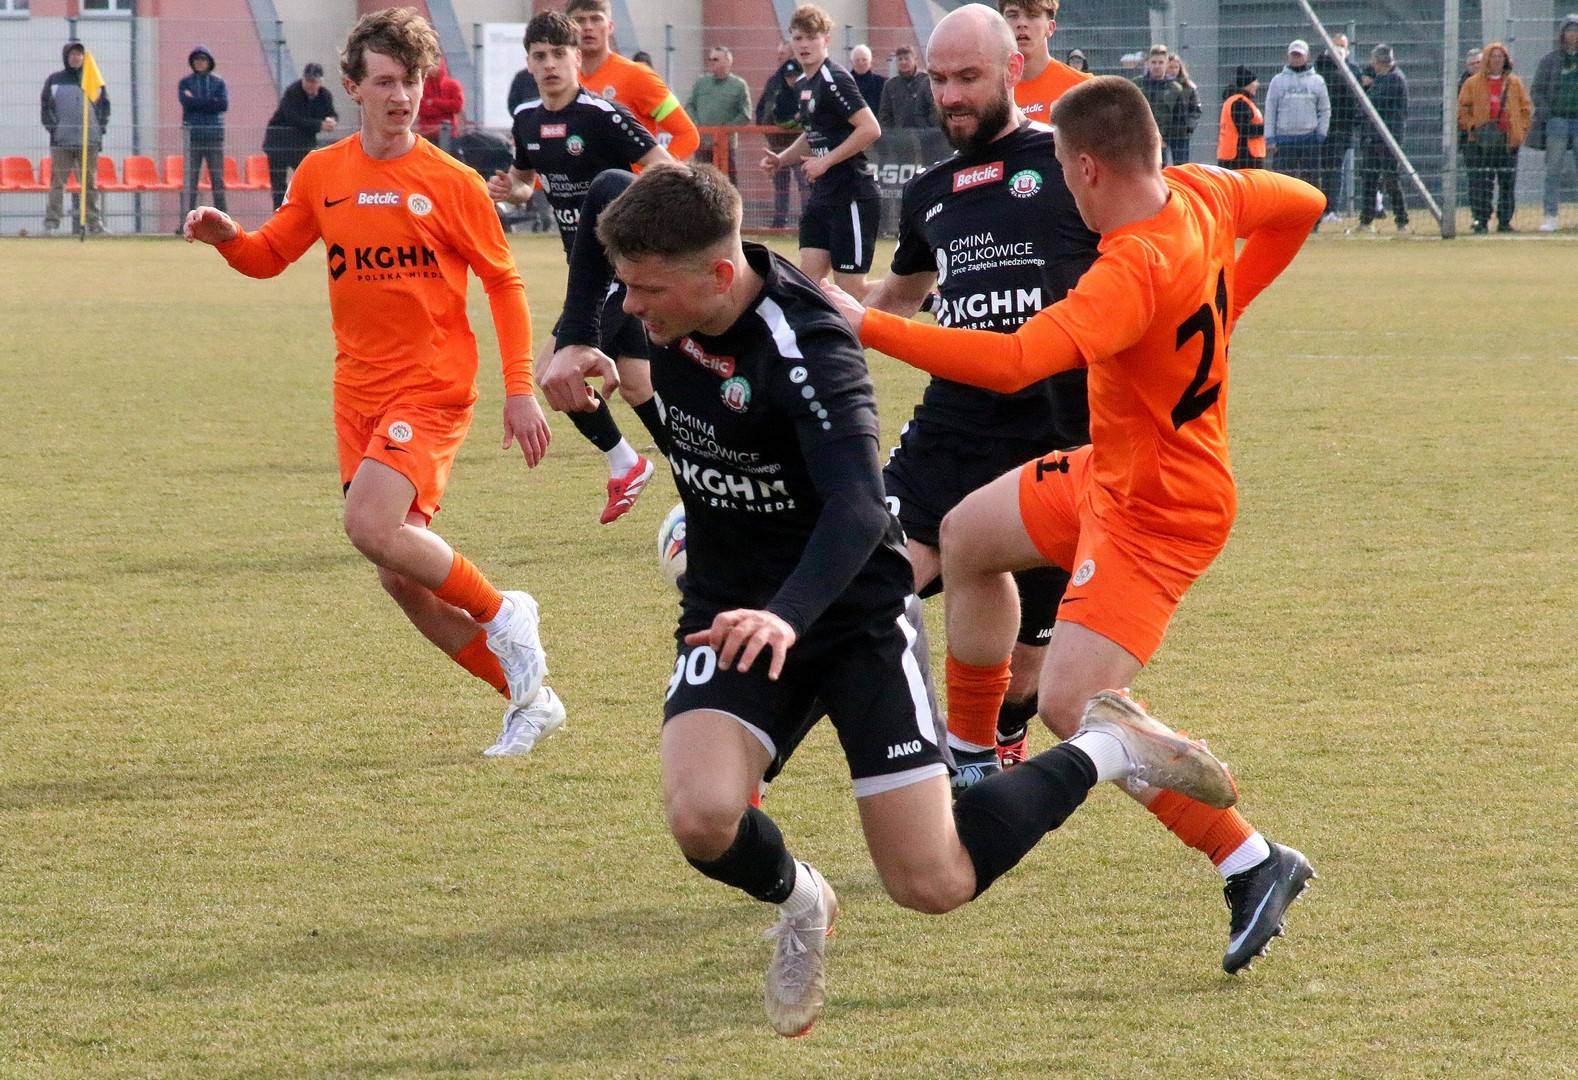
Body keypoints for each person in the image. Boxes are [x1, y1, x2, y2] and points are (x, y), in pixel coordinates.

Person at [540, 160, 1240, 1036]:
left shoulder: (809, 347)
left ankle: (1107, 747)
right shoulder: (657, 279)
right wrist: (573, 334)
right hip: (731, 603)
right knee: (702, 818)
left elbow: (861, 509)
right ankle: (805, 904)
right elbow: (609, 185)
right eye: (624, 287)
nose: (631, 308)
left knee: (932, 882)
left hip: (850, 614)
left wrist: (786, 616)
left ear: (718, 276)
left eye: (646, 291)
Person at [823, 75, 1322, 977]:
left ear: (1088, 168)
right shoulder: (1204, 190)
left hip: (1161, 512)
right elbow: (1305, 204)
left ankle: (1251, 860)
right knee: (967, 537)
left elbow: (1016, 361)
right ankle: (973, 761)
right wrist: (1229, 308)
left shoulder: (1133, 266)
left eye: (1060, 166)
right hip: (1105, 472)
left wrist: (867, 324)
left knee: (1072, 706)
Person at [181, 8, 559, 758]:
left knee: (368, 527)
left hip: (432, 387)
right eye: (385, 81)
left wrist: (520, 388)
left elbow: (504, 283)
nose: (402, 95)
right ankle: (529, 699)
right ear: (352, 88)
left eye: (411, 80)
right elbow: (269, 255)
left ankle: (505, 612)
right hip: (357, 394)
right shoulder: (323, 173)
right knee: (400, 578)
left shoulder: (451, 183)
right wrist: (229, 239)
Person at [864, 4, 1097, 782]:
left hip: (1055, 443)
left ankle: (993, 742)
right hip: (950, 434)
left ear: (1012, 70)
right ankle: (919, 761)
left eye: (968, 77)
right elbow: (897, 298)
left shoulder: (1072, 163)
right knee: (864, 592)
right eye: (939, 80)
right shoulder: (931, 191)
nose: (951, 95)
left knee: (1026, 675)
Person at [489, 11, 674, 525]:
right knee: (637, 384)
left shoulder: (603, 114)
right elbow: (525, 181)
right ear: (528, 63)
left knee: (553, 373)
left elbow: (666, 172)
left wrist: (630, 221)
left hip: (616, 272)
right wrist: (510, 192)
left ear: (577, 57)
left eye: (558, 54)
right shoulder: (527, 120)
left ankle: (626, 463)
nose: (549, 64)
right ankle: (697, 471)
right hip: (583, 273)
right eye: (539, 56)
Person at [761, 5, 883, 299]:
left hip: (851, 193)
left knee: (852, 290)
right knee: (807, 284)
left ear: (826, 40)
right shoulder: (804, 84)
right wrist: (782, 160)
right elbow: (812, 132)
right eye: (798, 38)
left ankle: (926, 297)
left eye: (811, 38)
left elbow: (870, 129)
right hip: (823, 194)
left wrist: (825, 161)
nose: (804, 45)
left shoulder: (834, 79)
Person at [567, 0, 700, 160]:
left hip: (634, 176)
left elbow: (687, 134)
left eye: (596, 19)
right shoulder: (567, 82)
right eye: (579, 20)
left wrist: (657, 172)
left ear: (610, 26)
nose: (588, 27)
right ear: (569, 29)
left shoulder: (638, 75)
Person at [1458, 42, 1533, 233]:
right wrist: (1473, 126)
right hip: (1481, 141)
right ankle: (1481, 220)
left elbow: (1525, 109)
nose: (1497, 60)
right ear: (1486, 60)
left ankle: (1505, 221)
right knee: (1483, 182)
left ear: (1506, 60)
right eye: (1493, 56)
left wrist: (1520, 130)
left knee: (1507, 182)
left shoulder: (1514, 83)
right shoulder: (1472, 83)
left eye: (1501, 56)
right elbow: (1462, 109)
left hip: (1508, 141)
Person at [40, 40, 110, 235]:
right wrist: (55, 130)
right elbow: (45, 108)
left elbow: (104, 107)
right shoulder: (54, 80)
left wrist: (99, 129)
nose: (76, 57)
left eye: (79, 54)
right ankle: (51, 223)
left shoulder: (93, 81)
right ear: (66, 57)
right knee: (57, 183)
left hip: (89, 142)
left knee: (90, 184)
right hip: (61, 143)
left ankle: (94, 223)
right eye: (72, 54)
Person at [262, 62, 339, 211]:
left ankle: (308, 212)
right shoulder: (293, 92)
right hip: (279, 142)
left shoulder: (325, 95)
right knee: (278, 185)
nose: (310, 84)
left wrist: (332, 121)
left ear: (320, 82)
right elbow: (294, 118)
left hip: (303, 144)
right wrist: (319, 125)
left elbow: (331, 113)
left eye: (313, 81)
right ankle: (279, 215)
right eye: (307, 80)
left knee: (308, 180)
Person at [999, 0, 1092, 122]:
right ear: (1001, 27)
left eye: (1032, 15)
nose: (1021, 23)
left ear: (1050, 27)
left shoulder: (1082, 88)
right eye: (1013, 15)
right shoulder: (990, 93)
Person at [1531, 13, 1578, 231]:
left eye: (1576, 30)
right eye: (1569, 30)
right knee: (1553, 169)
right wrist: (1547, 114)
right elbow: (1536, 90)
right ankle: (1550, 215)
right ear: (1562, 34)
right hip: (1557, 120)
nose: (1573, 34)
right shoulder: (1549, 61)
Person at [1264, 39, 1328, 192]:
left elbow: (1325, 109)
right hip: (1284, 140)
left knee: (1311, 183)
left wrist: (1321, 134)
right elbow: (1270, 109)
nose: (1296, 58)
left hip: (1309, 139)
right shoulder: (1277, 81)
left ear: (1307, 56)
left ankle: (1312, 208)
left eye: (1299, 55)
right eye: (1294, 55)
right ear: (1288, 56)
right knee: (1283, 183)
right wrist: (1270, 138)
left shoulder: (1317, 81)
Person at [756, 42, 807, 229]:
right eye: (778, 53)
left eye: (783, 53)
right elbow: (764, 107)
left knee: (805, 183)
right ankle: (779, 224)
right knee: (780, 185)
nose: (779, 57)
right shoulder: (774, 81)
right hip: (777, 142)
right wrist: (764, 125)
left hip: (800, 142)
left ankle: (807, 221)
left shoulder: (806, 81)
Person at [1358, 44, 1409, 232]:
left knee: (1390, 178)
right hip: (1373, 137)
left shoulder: (1394, 79)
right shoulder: (1382, 78)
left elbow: (1371, 102)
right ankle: (1366, 220)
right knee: (1369, 179)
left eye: (1375, 61)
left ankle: (1401, 219)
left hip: (1388, 138)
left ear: (1380, 62)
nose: (1373, 65)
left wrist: (1366, 87)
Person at [685, 45, 752, 182]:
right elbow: (690, 106)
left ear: (728, 61)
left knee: (728, 182)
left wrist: (726, 129)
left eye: (716, 59)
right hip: (703, 145)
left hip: (725, 147)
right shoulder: (701, 83)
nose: (711, 62)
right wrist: (697, 126)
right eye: (710, 59)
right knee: (702, 182)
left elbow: (745, 114)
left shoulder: (738, 85)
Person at [1314, 41, 1362, 221]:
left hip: (1317, 131)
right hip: (1340, 131)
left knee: (1317, 170)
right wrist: (1353, 123)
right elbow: (1353, 106)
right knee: (1334, 170)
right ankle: (1330, 209)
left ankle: (1316, 208)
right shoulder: (1345, 78)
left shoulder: (1316, 76)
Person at [179, 45, 228, 218]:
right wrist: (210, 102)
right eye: (196, 60)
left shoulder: (218, 82)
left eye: (203, 60)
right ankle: (186, 220)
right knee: (190, 180)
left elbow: (223, 105)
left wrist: (197, 102)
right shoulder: (185, 82)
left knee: (217, 180)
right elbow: (187, 102)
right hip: (192, 137)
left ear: (209, 62)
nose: (199, 63)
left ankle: (223, 220)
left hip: (214, 137)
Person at [1133, 45, 1189, 165]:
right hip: (1140, 141)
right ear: (1148, 63)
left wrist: (1166, 141)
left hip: (1163, 141)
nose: (1157, 66)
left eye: (1160, 62)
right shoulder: (1137, 84)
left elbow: (1178, 120)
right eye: (1153, 62)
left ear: (1166, 64)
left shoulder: (1175, 89)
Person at [1217, 65, 1265, 170]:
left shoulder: (1235, 101)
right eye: (1255, 81)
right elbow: (1245, 129)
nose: (1257, 84)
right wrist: (1267, 128)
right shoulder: (1239, 103)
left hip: (1232, 155)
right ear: (1248, 84)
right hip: (1242, 157)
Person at [877, 44, 934, 130]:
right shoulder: (890, 86)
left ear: (915, 60)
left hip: (925, 135)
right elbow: (884, 115)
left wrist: (931, 131)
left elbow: (934, 110)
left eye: (907, 58)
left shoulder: (927, 81)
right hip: (900, 135)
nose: (903, 62)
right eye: (900, 59)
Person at [415, 58, 464, 147]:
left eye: (436, 64)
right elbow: (419, 108)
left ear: (442, 65)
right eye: (430, 65)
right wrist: (446, 109)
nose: (433, 67)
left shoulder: (453, 85)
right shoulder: (421, 86)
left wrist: (433, 102)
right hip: (426, 134)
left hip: (449, 135)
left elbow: (458, 106)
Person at [1165, 52, 1202, 164]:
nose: (1173, 70)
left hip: (1181, 132)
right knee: (1160, 164)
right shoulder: (1159, 85)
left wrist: (1189, 127)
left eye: (1176, 67)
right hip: (1163, 132)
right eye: (1170, 67)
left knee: (1181, 164)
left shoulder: (1188, 86)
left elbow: (1195, 109)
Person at [849, 44, 887, 109]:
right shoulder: (845, 81)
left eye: (864, 60)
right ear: (852, 62)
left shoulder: (881, 83)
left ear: (870, 62)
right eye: (857, 60)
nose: (861, 63)